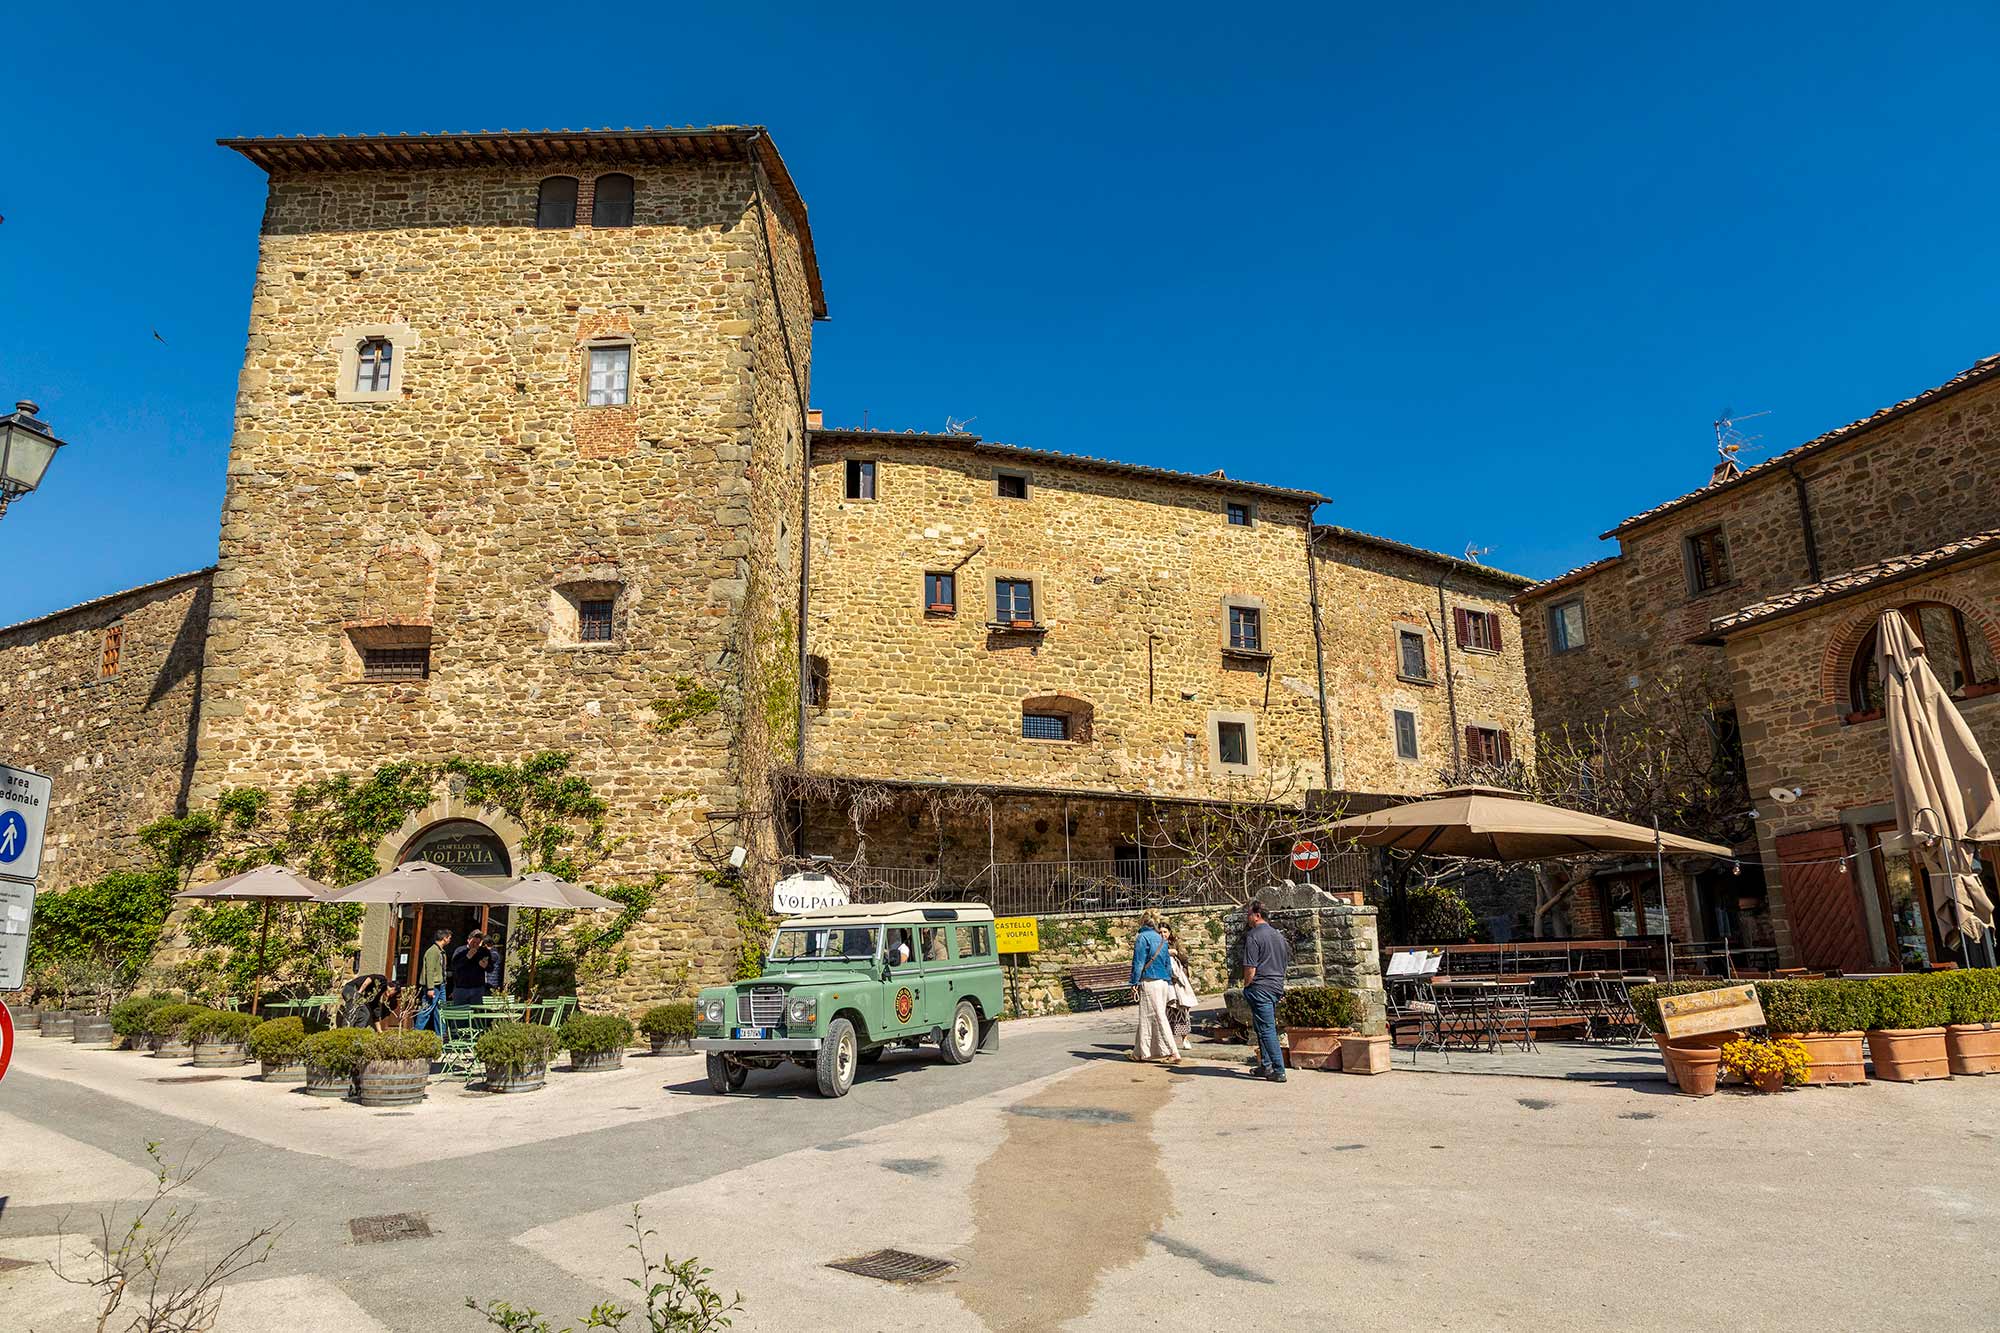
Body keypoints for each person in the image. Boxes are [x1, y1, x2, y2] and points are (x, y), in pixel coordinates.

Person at [1240, 899, 1292, 1082]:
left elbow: (1250, 967)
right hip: (1275, 986)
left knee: (1267, 1029)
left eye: (1248, 914)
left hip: (1260, 986)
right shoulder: (1278, 936)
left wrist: (1247, 985)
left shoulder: (1253, 936)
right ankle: (1266, 1065)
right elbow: (1285, 962)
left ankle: (1278, 1070)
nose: (1247, 918)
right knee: (1261, 1027)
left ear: (1257, 915)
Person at [1128, 908, 1180, 1064]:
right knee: (1146, 1015)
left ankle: (1173, 1052)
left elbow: (1138, 963)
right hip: (1163, 981)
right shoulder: (1161, 939)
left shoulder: (1142, 937)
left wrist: (1134, 982)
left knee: (1158, 1016)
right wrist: (1169, 981)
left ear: (1142, 921)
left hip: (1150, 980)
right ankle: (1138, 1052)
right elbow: (1167, 963)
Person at [1162, 924, 1197, 1046]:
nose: (1163, 934)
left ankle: (1185, 1038)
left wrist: (1176, 953)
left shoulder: (1175, 943)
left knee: (1182, 1009)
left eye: (1165, 932)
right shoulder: (1156, 945)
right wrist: (1165, 953)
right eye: (1160, 932)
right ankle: (1168, 1040)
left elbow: (1185, 959)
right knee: (1167, 1011)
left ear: (1169, 932)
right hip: (1165, 982)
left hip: (1178, 982)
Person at [414, 927, 452, 1032]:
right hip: (434, 986)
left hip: (441, 985)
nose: (450, 940)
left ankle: (441, 1035)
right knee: (426, 1010)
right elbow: (429, 970)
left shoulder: (441, 951)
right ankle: (417, 1033)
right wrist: (430, 988)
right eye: (449, 938)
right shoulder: (433, 951)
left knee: (440, 1011)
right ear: (444, 938)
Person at [449, 929, 494, 1004]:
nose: (475, 945)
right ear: (468, 940)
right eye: (473, 942)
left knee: (476, 1010)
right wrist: (467, 957)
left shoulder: (484, 951)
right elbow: (454, 966)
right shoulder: (460, 951)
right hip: (461, 988)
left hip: (478, 988)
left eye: (478, 943)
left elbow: (491, 968)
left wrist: (486, 966)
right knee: (460, 1009)